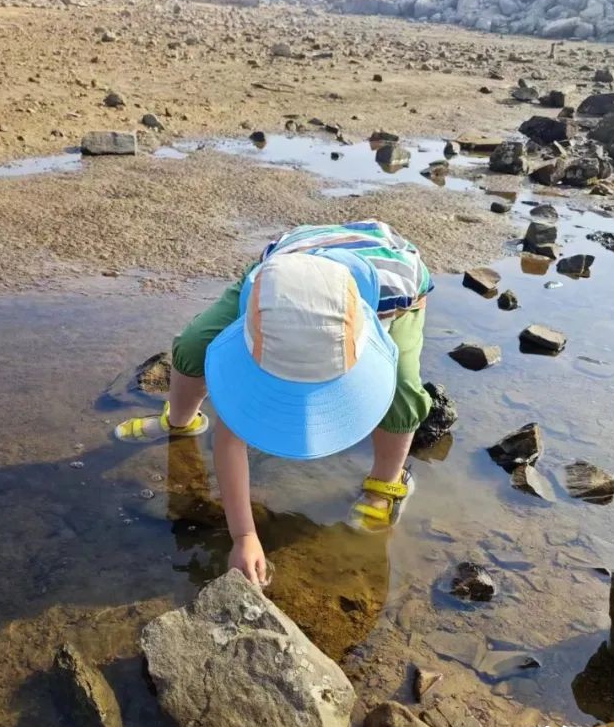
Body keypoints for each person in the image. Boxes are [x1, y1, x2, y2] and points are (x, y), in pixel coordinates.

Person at [114, 220, 433, 585]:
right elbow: (230, 438)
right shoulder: (261, 301)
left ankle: (386, 481)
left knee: (402, 389)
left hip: (396, 290)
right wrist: (244, 535)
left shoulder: (390, 301)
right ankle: (180, 420)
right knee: (193, 345)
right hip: (282, 274)